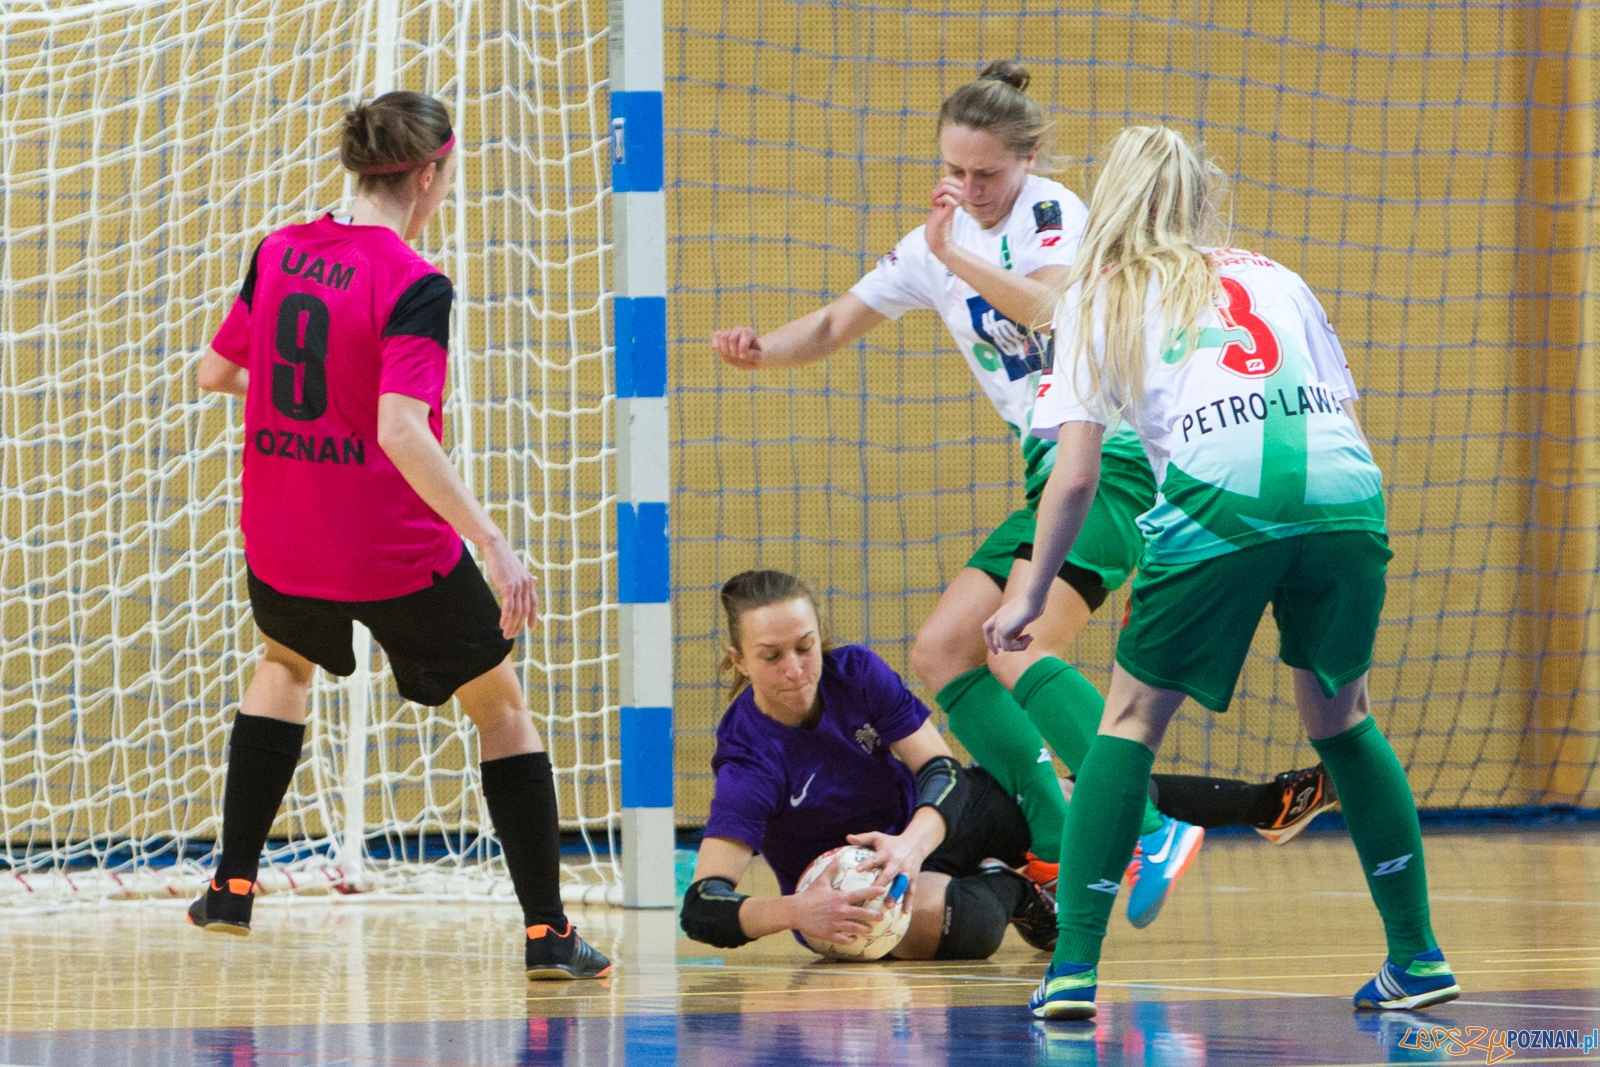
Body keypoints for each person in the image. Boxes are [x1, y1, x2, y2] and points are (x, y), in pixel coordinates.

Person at [710, 60, 1208, 928]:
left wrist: (952, 256)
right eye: (955, 171)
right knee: (945, 652)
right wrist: (764, 348)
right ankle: (1059, 831)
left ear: (1028, 160)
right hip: (1046, 467)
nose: (970, 189)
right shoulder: (932, 241)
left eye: (987, 174)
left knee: (1013, 645)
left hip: (1114, 458)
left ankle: (1150, 824)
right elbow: (834, 323)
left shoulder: (1055, 214)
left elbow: (1054, 309)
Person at [987, 125, 1458, 1019]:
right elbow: (1338, 409)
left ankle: (1075, 969)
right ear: (1206, 199)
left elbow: (1078, 473)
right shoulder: (1279, 276)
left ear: (1115, 198)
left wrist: (1032, 591)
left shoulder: (1101, 293)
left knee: (1126, 723)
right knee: (1344, 716)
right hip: (1349, 496)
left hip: (1221, 501)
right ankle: (1418, 953)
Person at [190, 91, 610, 982]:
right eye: (447, 176)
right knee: (501, 709)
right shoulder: (416, 281)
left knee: (284, 668)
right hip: (387, 547)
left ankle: (231, 883)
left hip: (281, 532)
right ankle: (547, 933)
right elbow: (402, 429)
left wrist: (317, 408)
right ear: (427, 174)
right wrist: (495, 543)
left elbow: (218, 369)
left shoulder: (276, 249)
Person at [681, 570, 1336, 961]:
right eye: (772, 656)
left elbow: (937, 768)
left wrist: (912, 842)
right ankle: (1019, 890)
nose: (796, 667)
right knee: (952, 924)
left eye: (805, 646)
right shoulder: (749, 756)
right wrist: (799, 910)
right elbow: (703, 905)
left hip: (934, 824)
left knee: (1076, 790)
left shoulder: (854, 674)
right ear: (738, 660)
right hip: (856, 889)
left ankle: (1268, 804)